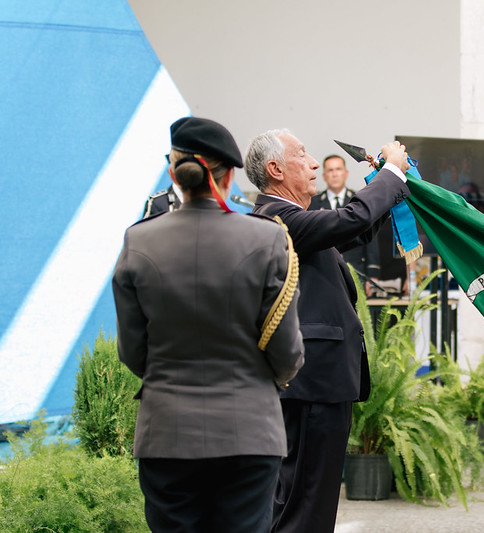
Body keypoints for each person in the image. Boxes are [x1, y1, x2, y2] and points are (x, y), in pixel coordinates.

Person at [112, 117, 305, 531]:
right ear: (230, 175)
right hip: (249, 430)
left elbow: (132, 352)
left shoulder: (138, 240)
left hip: (167, 432)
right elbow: (287, 351)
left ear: (174, 174)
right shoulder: (268, 238)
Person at [244, 130, 411, 533]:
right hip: (310, 385)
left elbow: (355, 229)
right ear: (276, 169)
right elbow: (349, 219)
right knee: (304, 504)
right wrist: (390, 172)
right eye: (302, 155)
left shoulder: (290, 220)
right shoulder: (276, 218)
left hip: (317, 384)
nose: (314, 163)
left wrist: (392, 187)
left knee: (307, 501)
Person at [309, 154, 380, 296]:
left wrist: (372, 275)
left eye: (338, 169)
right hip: (322, 272)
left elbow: (370, 237)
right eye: (330, 170)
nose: (335, 174)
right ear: (324, 176)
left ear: (346, 173)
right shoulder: (312, 203)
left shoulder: (359, 201)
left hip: (355, 272)